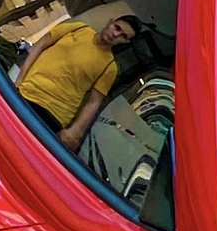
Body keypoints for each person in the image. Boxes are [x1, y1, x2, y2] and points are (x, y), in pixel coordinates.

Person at [17, 11, 139, 154]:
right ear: (110, 22)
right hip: (26, 93)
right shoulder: (79, 29)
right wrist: (19, 80)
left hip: (54, 114)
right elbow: (40, 45)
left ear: (125, 42)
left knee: (24, 151)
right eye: (117, 28)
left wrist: (75, 131)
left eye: (123, 36)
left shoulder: (110, 66)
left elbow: (93, 102)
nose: (115, 35)